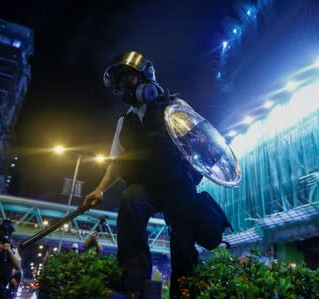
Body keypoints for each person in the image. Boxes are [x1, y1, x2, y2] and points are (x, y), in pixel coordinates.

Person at [83, 51, 230, 298]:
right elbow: (115, 162)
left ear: (145, 76)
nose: (125, 87)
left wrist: (197, 160)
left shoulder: (175, 107)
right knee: (131, 199)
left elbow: (206, 144)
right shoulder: (125, 121)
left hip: (177, 184)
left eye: (128, 79)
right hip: (147, 186)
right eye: (120, 84)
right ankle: (134, 286)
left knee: (182, 244)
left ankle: (184, 291)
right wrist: (99, 190)